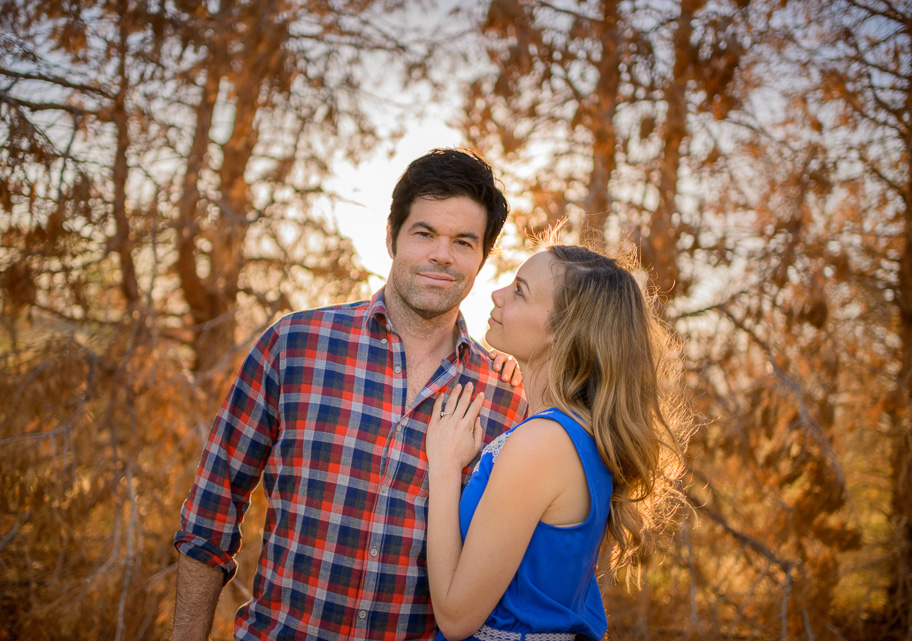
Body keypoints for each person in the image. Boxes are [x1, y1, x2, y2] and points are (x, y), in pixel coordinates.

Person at [171, 148, 529, 641]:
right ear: (391, 238)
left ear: (482, 258)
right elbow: (212, 508)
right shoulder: (295, 345)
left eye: (463, 242)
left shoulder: (506, 398)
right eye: (424, 233)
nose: (442, 255)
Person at [424, 244, 689, 641]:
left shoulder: (543, 443)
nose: (497, 294)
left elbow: (455, 616)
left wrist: (444, 465)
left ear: (560, 331)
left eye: (519, 291)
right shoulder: (572, 434)